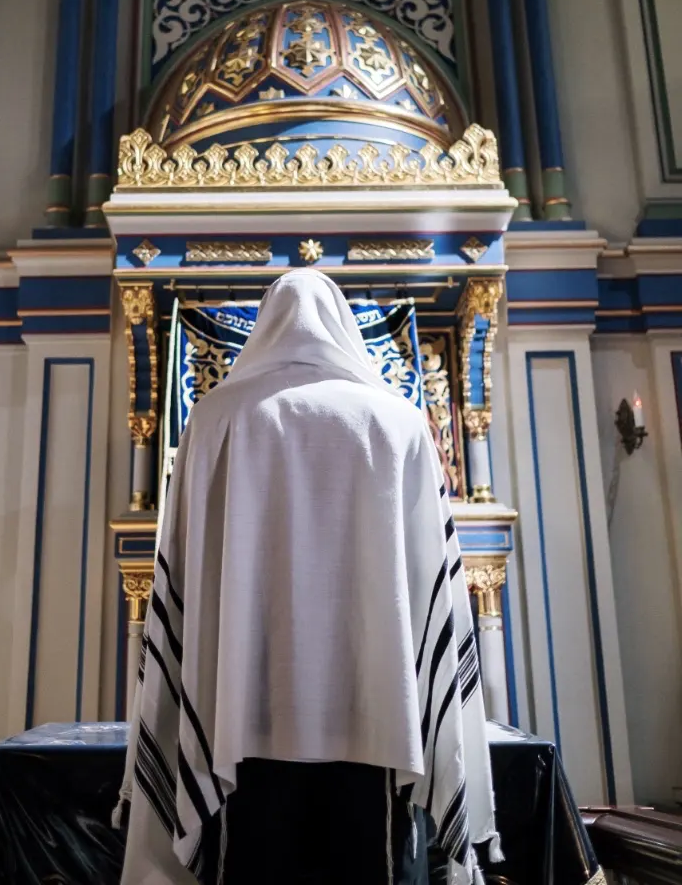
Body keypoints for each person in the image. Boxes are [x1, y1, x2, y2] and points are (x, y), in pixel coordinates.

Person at [117, 269, 500, 885]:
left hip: (241, 717)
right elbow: (430, 576)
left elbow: (186, 571)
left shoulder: (217, 418)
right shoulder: (396, 420)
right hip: (375, 713)